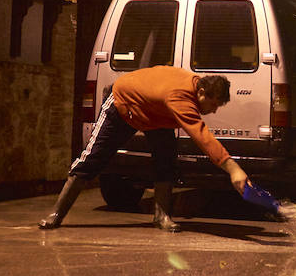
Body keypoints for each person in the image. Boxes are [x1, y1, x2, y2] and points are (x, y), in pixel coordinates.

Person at [39, 66, 249, 232]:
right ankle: (57, 214)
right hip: (124, 105)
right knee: (93, 158)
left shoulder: (195, 85)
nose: (213, 110)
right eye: (214, 104)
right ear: (201, 92)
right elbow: (202, 136)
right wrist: (233, 169)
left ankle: (162, 216)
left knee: (166, 161)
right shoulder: (179, 97)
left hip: (157, 115)